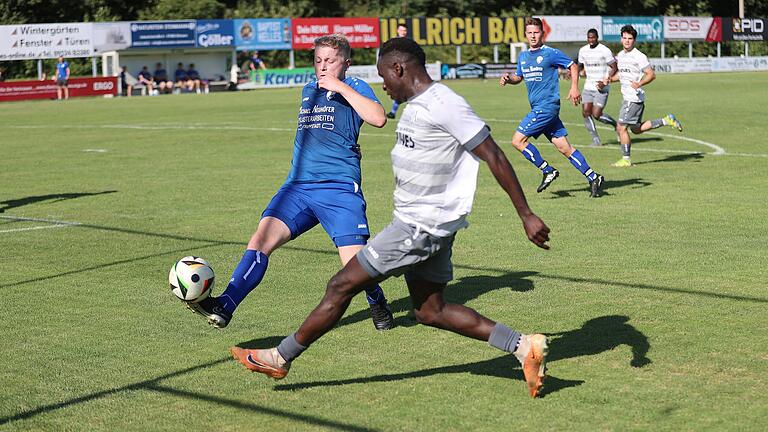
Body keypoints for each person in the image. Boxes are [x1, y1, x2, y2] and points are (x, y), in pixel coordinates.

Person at [230, 37, 552, 399]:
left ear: (399, 69)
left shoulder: (443, 103)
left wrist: (525, 214)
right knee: (431, 311)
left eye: (384, 75)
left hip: (417, 228)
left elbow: (493, 155)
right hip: (432, 225)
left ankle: (279, 356)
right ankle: (525, 347)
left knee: (340, 285)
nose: (383, 84)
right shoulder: (416, 105)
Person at [185, 34, 395, 331]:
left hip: (338, 189)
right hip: (297, 187)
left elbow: (378, 118)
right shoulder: (308, 89)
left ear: (346, 64)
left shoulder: (355, 86)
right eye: (318, 60)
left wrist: (339, 86)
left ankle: (377, 300)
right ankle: (225, 305)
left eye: (330, 61)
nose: (323, 67)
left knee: (354, 267)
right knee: (260, 240)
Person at [500, 18, 604, 198]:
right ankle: (593, 177)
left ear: (542, 33)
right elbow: (519, 77)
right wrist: (510, 79)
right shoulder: (523, 57)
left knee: (518, 141)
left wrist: (574, 87)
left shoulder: (550, 53)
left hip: (546, 107)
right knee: (564, 147)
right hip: (542, 109)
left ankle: (547, 170)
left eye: (536, 32)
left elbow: (573, 66)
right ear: (526, 35)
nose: (533, 36)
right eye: (529, 33)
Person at [600, 25, 683, 167]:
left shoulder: (639, 56)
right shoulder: (621, 55)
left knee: (621, 128)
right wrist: (608, 80)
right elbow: (621, 74)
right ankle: (666, 120)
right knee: (636, 129)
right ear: (621, 39)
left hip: (633, 98)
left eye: (630, 38)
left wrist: (639, 83)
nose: (627, 41)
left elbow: (651, 74)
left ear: (634, 40)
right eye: (624, 38)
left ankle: (626, 159)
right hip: (629, 98)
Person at [577, 29, 618, 146]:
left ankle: (615, 125)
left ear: (597, 37)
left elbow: (614, 67)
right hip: (588, 86)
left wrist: (606, 80)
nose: (591, 40)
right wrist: (577, 72)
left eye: (593, 38)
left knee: (597, 115)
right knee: (585, 112)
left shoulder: (604, 50)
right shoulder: (583, 50)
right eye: (589, 38)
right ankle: (596, 140)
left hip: (601, 87)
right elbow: (580, 66)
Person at [386, 24, 409, 119]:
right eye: (401, 30)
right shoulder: (394, 43)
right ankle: (393, 112)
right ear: (397, 31)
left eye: (404, 30)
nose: (403, 32)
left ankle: (393, 112)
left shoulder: (409, 43)